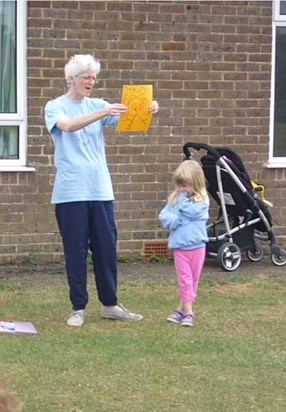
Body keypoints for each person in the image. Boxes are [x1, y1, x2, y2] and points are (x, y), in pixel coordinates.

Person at [44, 54, 159, 327]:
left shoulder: (99, 104)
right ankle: (78, 308)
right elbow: (68, 126)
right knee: (76, 251)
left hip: (101, 191)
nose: (91, 83)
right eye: (86, 77)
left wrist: (147, 109)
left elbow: (131, 122)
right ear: (71, 78)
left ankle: (111, 304)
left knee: (106, 249)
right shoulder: (55, 106)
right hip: (71, 193)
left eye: (94, 78)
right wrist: (103, 112)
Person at [159, 160, 209, 327]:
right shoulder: (176, 198)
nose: (181, 189)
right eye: (179, 185)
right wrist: (177, 218)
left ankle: (181, 309)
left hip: (198, 246)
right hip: (180, 247)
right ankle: (189, 312)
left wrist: (181, 206)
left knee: (193, 281)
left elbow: (194, 212)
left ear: (196, 183)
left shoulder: (202, 200)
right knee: (185, 280)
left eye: (185, 185)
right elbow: (165, 215)